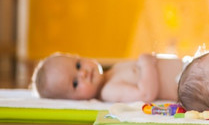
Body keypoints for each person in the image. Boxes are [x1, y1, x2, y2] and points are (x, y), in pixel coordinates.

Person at [31, 52, 182, 102]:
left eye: (78, 65)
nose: (83, 73)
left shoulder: (112, 71)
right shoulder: (108, 91)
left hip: (188, 67)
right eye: (75, 83)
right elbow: (146, 94)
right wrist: (147, 64)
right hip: (186, 83)